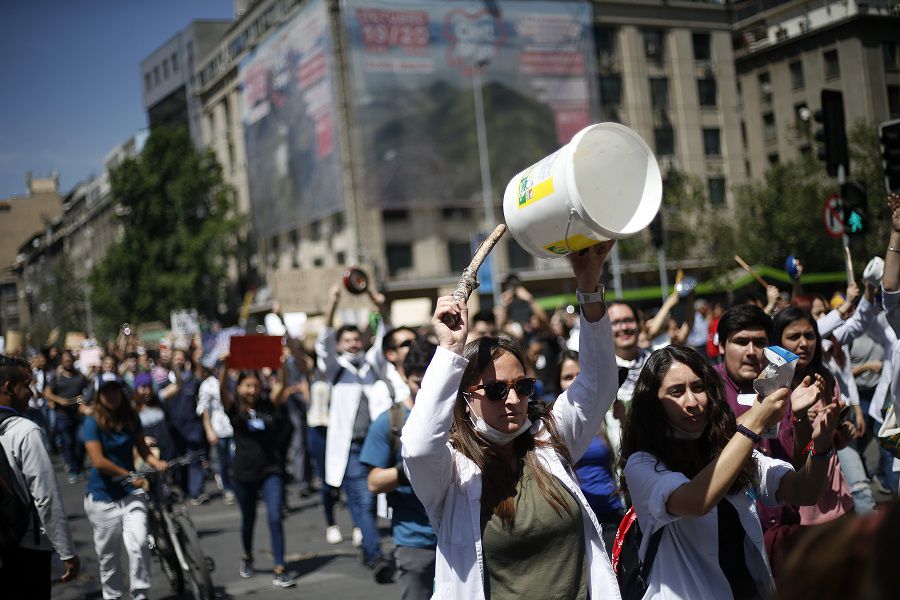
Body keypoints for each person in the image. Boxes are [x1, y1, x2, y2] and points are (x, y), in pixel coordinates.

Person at [402, 241, 622, 599]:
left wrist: (589, 288)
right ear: (466, 396)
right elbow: (417, 446)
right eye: (495, 390)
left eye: (523, 385)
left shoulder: (550, 437)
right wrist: (450, 350)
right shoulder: (452, 472)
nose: (515, 400)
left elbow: (599, 385)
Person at [620, 345, 840, 600]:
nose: (692, 402)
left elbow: (804, 491)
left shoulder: (730, 448)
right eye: (676, 392)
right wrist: (756, 421)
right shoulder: (642, 463)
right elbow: (697, 501)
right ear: (653, 403)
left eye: (698, 388)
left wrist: (821, 445)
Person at [316, 284, 395, 578]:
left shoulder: (373, 366)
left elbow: (385, 335)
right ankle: (377, 556)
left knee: (373, 500)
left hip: (377, 445)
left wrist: (378, 305)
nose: (351, 343)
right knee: (363, 499)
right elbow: (323, 342)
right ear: (340, 344)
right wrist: (332, 303)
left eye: (355, 339)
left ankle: (367, 548)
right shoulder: (336, 369)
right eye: (345, 340)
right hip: (349, 448)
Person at [361, 339, 438, 594]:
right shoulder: (390, 421)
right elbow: (374, 482)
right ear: (404, 376)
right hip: (416, 541)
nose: (426, 389)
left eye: (431, 381)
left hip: (461, 535)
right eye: (418, 382)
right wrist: (410, 467)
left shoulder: (460, 415)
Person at [0, 354, 80, 599]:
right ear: (8, 388)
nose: (32, 393)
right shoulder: (25, 432)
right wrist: (66, 551)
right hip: (26, 544)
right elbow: (45, 498)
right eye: (26, 385)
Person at [82, 372, 167, 600]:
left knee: (139, 543)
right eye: (106, 391)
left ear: (121, 391)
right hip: (102, 498)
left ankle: (140, 594)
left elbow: (143, 450)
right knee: (108, 556)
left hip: (130, 493)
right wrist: (129, 474)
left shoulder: (131, 417)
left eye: (114, 389)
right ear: (99, 396)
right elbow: (98, 461)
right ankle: (113, 596)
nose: (111, 395)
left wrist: (155, 462)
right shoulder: (91, 422)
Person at [219, 359, 295, 587]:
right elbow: (222, 390)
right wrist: (224, 368)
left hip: (271, 469)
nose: (252, 390)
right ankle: (248, 556)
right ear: (239, 388)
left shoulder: (267, 404)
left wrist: (282, 367)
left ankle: (280, 567)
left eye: (255, 386)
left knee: (274, 517)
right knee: (249, 519)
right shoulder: (233, 408)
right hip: (244, 473)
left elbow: (282, 387)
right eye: (247, 386)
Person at [559, 349, 624, 552]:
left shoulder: (607, 413)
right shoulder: (554, 425)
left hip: (614, 515)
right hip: (581, 523)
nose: (575, 382)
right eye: (568, 377)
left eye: (580, 375)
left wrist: (623, 421)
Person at [43, 350, 88, 483]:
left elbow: (89, 391)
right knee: (67, 443)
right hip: (62, 415)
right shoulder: (57, 377)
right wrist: (59, 400)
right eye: (65, 360)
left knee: (81, 442)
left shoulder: (80, 376)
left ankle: (79, 466)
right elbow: (47, 393)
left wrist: (83, 399)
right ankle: (74, 471)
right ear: (62, 361)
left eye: (70, 360)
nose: (68, 362)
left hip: (78, 415)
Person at [197, 362, 235, 504]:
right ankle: (228, 489)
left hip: (233, 427)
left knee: (235, 459)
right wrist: (209, 430)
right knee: (222, 462)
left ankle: (238, 486)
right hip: (218, 429)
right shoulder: (207, 385)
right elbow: (204, 409)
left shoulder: (232, 380)